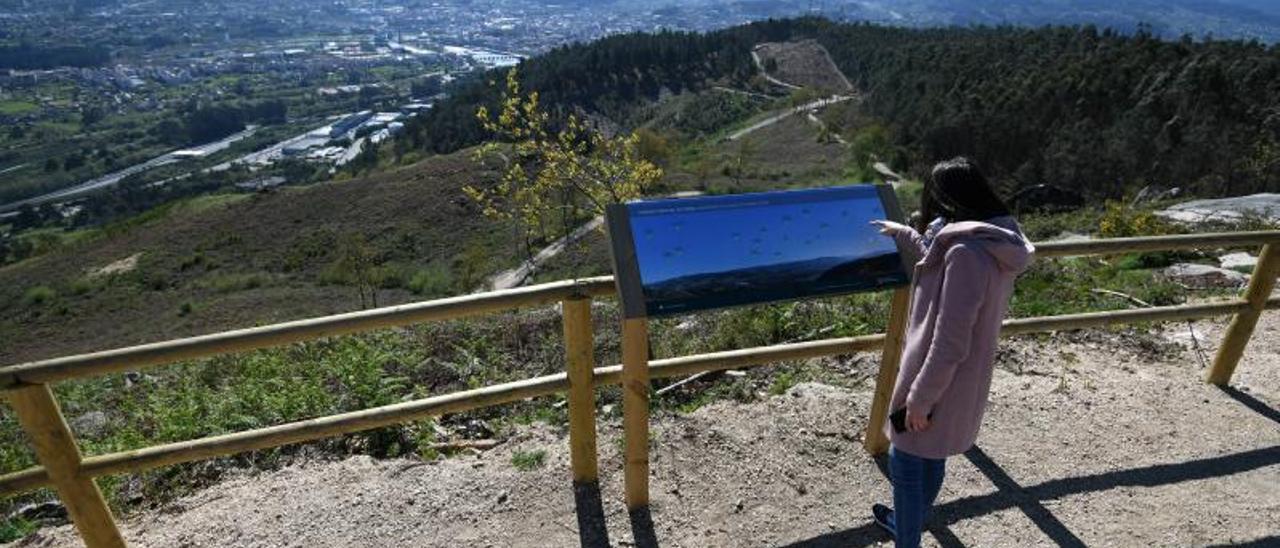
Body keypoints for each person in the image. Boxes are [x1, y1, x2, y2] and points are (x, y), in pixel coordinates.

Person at [868, 157, 1035, 547]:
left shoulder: (966, 254)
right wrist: (905, 234)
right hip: (962, 381)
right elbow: (936, 254)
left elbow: (950, 341)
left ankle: (906, 538)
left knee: (905, 458)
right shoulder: (993, 239)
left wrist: (920, 399)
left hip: (939, 380)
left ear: (948, 199)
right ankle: (906, 522)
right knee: (932, 454)